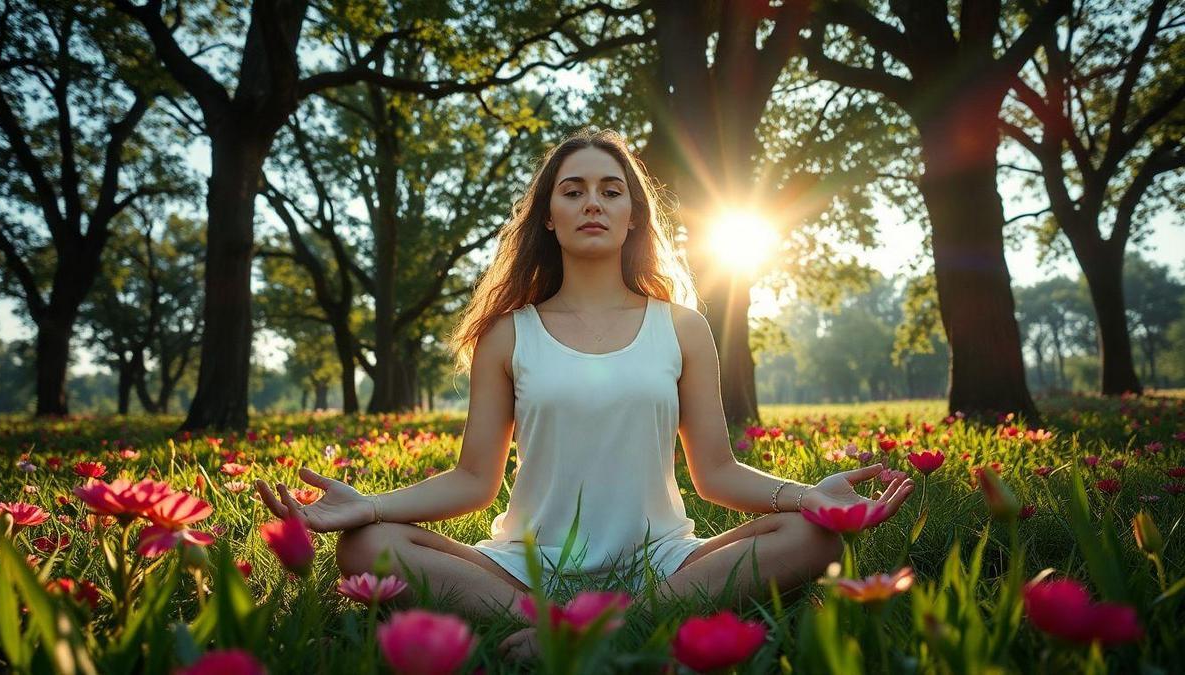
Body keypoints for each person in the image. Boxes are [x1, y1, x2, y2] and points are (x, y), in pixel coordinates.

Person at [255, 128, 914, 661]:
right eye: (573, 191)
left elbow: (716, 471)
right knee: (367, 547)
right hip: (524, 566)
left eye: (610, 190)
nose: (592, 202)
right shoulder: (508, 333)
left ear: (633, 216)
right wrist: (369, 505)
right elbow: (472, 479)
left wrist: (810, 496)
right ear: (549, 215)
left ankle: (607, 622)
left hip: (664, 561)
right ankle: (553, 621)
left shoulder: (682, 326)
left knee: (815, 538)